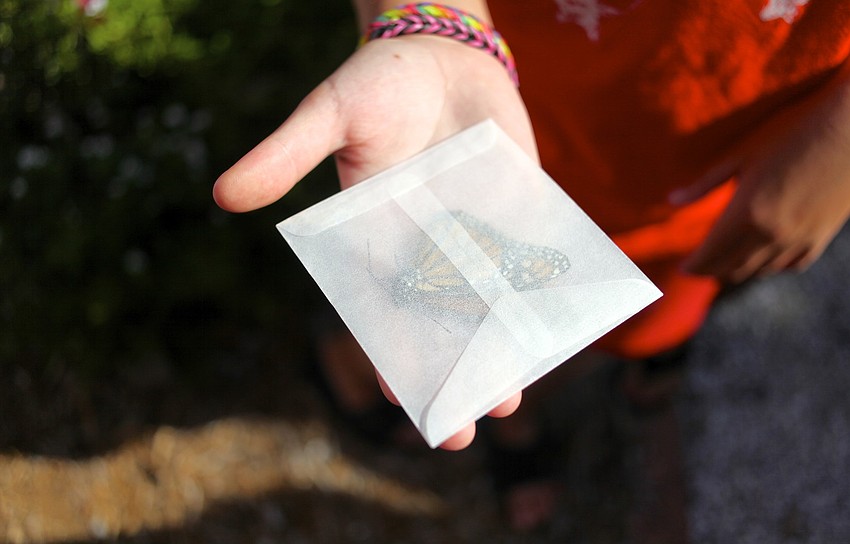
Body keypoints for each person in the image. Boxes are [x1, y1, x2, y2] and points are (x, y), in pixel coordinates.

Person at [214, 0, 850, 531]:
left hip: (718, 164)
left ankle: (645, 375)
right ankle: (521, 416)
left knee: (654, 309)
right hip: (498, 101)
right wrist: (432, 18)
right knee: (484, 348)